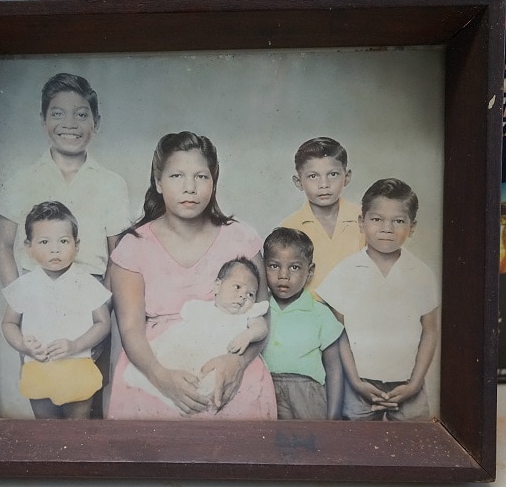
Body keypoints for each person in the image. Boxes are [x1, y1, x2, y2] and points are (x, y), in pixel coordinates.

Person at [107, 131, 277, 420]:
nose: (190, 187)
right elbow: (130, 329)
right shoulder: (134, 246)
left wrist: (238, 363)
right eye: (176, 177)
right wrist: (161, 378)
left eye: (201, 176)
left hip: (230, 360)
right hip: (156, 363)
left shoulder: (241, 237)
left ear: (213, 183)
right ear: (158, 183)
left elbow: (262, 313)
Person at [316, 178, 439, 421]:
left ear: (412, 227)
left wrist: (414, 384)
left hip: (407, 383)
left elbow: (430, 332)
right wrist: (355, 381)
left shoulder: (422, 273)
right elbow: (336, 333)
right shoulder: (345, 271)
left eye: (398, 221)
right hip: (358, 384)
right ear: (362, 222)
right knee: (357, 447)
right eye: (377, 219)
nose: (387, 228)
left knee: (414, 446)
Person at [0, 72, 130, 287]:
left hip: (91, 295)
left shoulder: (112, 184)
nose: (70, 124)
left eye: (81, 115)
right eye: (57, 114)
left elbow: (118, 255)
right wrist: (19, 301)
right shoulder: (18, 182)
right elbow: (2, 245)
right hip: (36, 295)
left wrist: (103, 304)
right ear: (43, 120)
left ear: (97, 122)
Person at [0, 201, 112, 419]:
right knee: (46, 430)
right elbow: (9, 323)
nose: (55, 249)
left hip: (76, 366)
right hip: (39, 366)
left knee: (77, 428)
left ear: (76, 245)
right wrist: (22, 345)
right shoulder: (24, 285)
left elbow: (103, 323)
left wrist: (76, 344)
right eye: (44, 241)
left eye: (63, 241)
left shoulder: (86, 283)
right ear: (28, 247)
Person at [123, 257, 269, 410]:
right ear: (217, 286)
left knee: (212, 384)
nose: (243, 296)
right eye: (237, 287)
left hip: (218, 358)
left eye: (250, 294)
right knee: (168, 360)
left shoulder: (247, 315)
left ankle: (199, 401)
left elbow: (262, 328)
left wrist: (248, 335)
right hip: (190, 349)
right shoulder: (201, 308)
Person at [261, 227, 344, 420]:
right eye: (274, 266)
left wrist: (333, 416)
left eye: (295, 267)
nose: (283, 275)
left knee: (311, 445)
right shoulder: (259, 308)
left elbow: (334, 368)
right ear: (263, 267)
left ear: (310, 271)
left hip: (307, 393)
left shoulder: (320, 313)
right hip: (265, 388)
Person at [279, 137, 364, 295]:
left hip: (358, 308)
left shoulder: (364, 219)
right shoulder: (289, 227)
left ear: (347, 177)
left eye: (332, 174)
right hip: (311, 313)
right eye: (313, 176)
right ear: (299, 182)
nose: (324, 184)